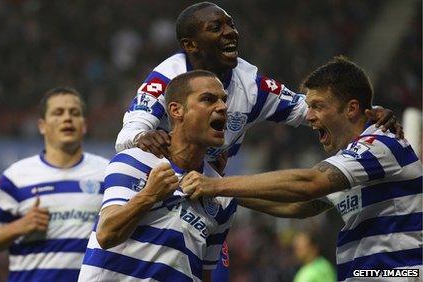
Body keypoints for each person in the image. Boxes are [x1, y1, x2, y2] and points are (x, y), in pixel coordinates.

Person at [115, 3, 400, 279]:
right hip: (156, 196)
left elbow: (309, 108)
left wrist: (367, 112)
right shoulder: (167, 78)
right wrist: (143, 137)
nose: (230, 32)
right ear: (191, 45)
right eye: (217, 27)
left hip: (206, 202)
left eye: (231, 24)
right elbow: (129, 133)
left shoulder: (251, 85)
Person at [181, 57, 422, 281]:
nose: (309, 116)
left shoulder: (379, 144)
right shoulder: (353, 162)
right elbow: (297, 205)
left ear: (351, 109)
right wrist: (221, 189)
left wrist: (215, 184)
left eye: (317, 105)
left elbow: (309, 183)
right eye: (308, 106)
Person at [78, 70, 237, 282]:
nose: (222, 107)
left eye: (223, 100)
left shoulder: (222, 196)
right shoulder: (133, 161)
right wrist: (149, 195)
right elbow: (106, 235)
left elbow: (204, 273)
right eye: (208, 99)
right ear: (176, 110)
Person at [0, 87, 109, 281]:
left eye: (74, 113)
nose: (67, 118)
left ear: (84, 124)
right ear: (42, 125)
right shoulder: (17, 177)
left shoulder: (106, 174)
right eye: (58, 112)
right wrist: (20, 226)